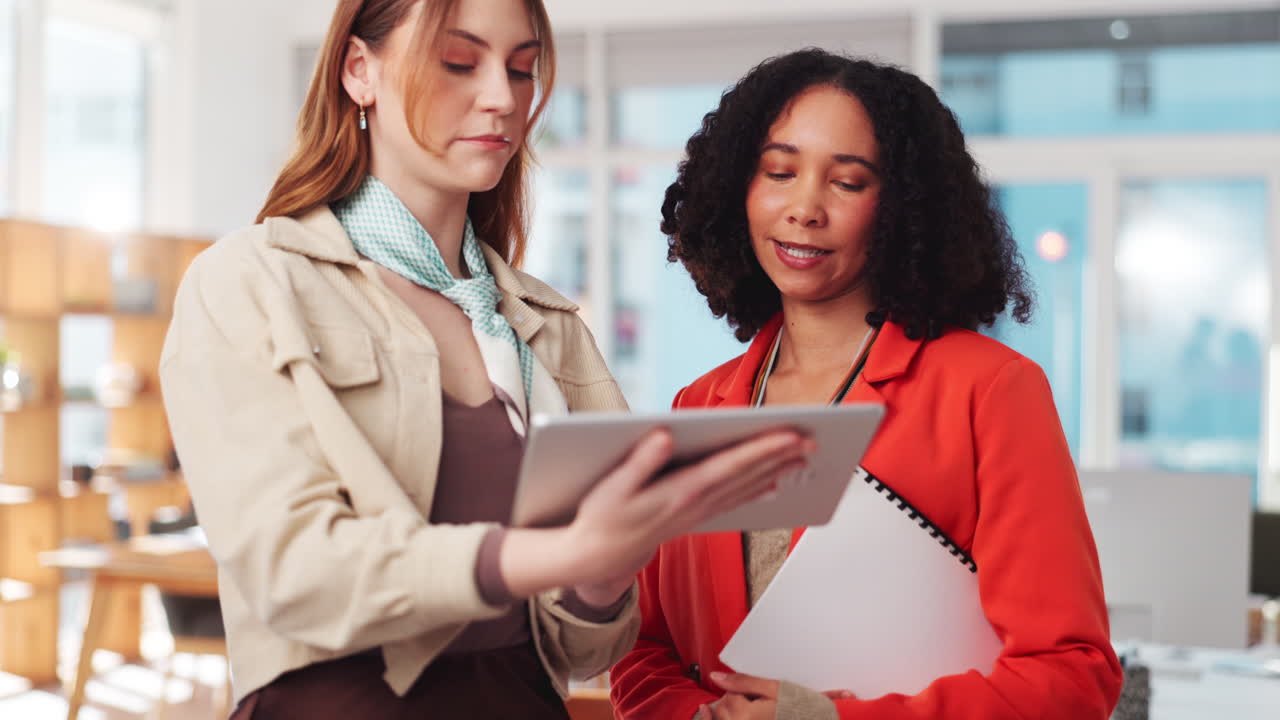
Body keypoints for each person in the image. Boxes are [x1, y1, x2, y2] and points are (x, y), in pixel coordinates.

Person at [158, 1, 812, 717]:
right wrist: (562, 553)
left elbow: (588, 650)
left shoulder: (550, 329)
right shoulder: (254, 281)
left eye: (523, 69)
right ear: (358, 71)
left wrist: (607, 568)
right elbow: (294, 571)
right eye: (459, 62)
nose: (503, 98)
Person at [609, 49, 1123, 720]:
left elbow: (1072, 678)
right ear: (739, 186)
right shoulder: (698, 405)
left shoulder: (990, 390)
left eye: (848, 182)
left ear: (901, 208)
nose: (804, 208)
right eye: (779, 172)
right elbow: (645, 652)